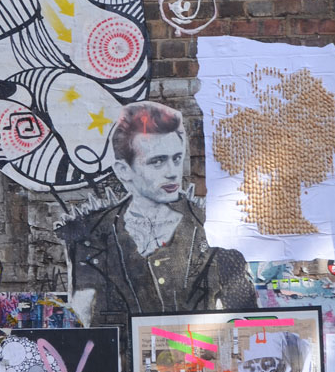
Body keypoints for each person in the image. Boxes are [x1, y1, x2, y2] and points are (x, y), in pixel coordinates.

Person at [60, 101, 258, 331]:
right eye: (157, 161)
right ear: (124, 170)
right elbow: (81, 323)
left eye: (176, 158)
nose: (172, 171)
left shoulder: (216, 228)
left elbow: (247, 323)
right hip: (121, 363)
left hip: (199, 361)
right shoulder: (91, 235)